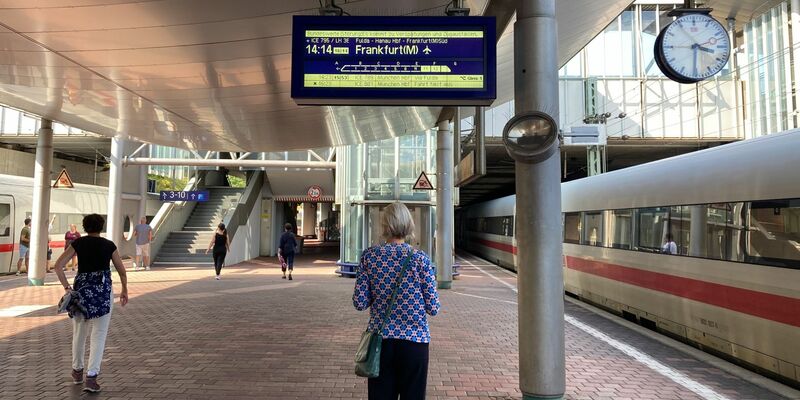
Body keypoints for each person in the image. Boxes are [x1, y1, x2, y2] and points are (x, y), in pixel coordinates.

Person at [353, 203, 440, 400]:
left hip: (380, 343)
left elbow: (360, 303)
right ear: (408, 225)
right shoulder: (420, 259)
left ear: (384, 225)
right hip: (415, 342)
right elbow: (433, 308)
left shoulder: (370, 256)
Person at [53, 214, 128, 393]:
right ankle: (92, 378)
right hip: (103, 293)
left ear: (85, 227)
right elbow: (121, 270)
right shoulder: (109, 245)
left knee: (79, 332)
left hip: (81, 293)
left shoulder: (78, 243)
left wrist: (67, 288)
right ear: (101, 227)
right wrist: (124, 289)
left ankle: (77, 371)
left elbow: (58, 265)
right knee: (99, 334)